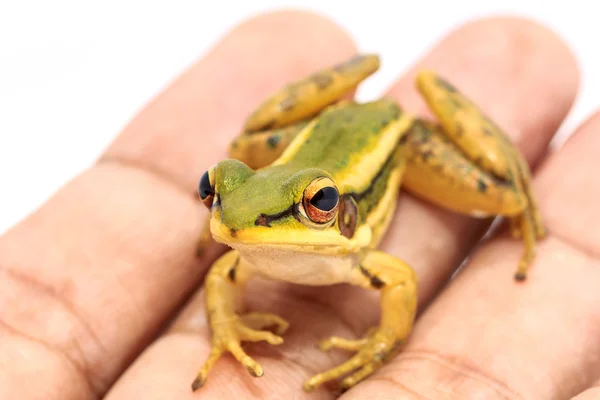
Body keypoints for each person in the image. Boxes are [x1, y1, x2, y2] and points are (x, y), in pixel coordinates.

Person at [1, 9, 598, 400]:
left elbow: (400, 282)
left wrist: (382, 344)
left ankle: (513, 184)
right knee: (243, 152)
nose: (228, 223)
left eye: (313, 204)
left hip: (401, 140)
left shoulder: (356, 253)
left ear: (333, 214)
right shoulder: (237, 245)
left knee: (502, 197)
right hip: (321, 133)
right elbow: (221, 276)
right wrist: (226, 328)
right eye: (215, 193)